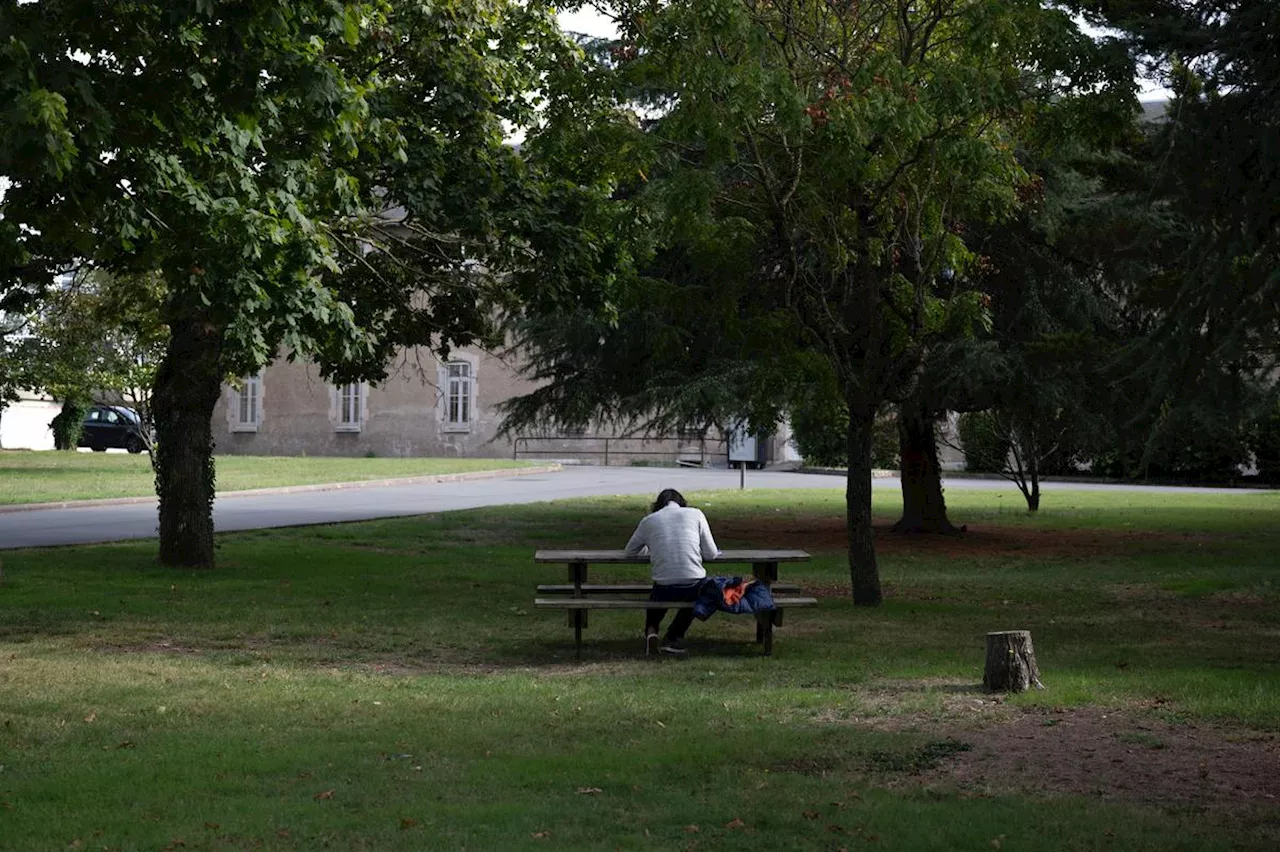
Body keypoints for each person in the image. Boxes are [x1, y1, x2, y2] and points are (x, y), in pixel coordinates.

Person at [624, 488, 722, 656]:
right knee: (697, 595)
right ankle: (672, 638)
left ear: (658, 505)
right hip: (693, 581)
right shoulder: (696, 514)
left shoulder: (649, 521)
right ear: (682, 503)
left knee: (657, 596)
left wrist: (654, 549)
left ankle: (651, 631)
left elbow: (630, 551)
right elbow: (711, 553)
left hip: (664, 585)